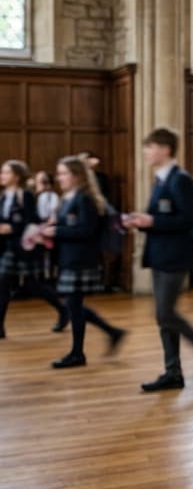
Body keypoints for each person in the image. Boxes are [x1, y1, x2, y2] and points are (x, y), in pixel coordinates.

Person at [123, 127, 193, 392]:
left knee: (165, 313)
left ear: (165, 149)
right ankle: (173, 372)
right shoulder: (161, 179)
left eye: (150, 147)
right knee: (163, 317)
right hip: (160, 254)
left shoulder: (180, 179)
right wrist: (143, 221)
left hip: (175, 256)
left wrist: (152, 220)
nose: (146, 151)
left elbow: (186, 219)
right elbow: (166, 217)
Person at [40, 156, 125, 368]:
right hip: (70, 257)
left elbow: (87, 230)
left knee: (73, 305)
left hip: (81, 259)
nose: (59, 178)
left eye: (63, 173)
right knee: (73, 305)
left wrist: (57, 230)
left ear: (76, 176)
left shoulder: (84, 199)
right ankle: (111, 333)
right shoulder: (70, 197)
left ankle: (78, 353)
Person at [0, 159, 66, 338]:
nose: (2, 176)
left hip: (24, 247)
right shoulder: (3, 196)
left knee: (33, 285)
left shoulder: (26, 195)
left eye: (6, 172)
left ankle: (63, 310)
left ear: (17, 176)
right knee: (3, 283)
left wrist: (12, 228)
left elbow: (32, 220)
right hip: (7, 247)